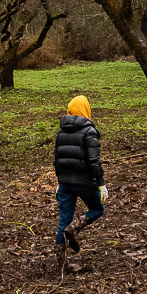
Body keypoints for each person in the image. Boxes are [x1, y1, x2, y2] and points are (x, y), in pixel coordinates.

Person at [53, 96, 107, 266]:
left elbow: (57, 159)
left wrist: (59, 181)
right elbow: (93, 160)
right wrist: (101, 183)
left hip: (65, 183)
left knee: (63, 220)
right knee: (97, 209)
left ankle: (62, 264)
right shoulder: (89, 131)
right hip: (84, 182)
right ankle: (75, 227)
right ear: (86, 110)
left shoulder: (61, 132)